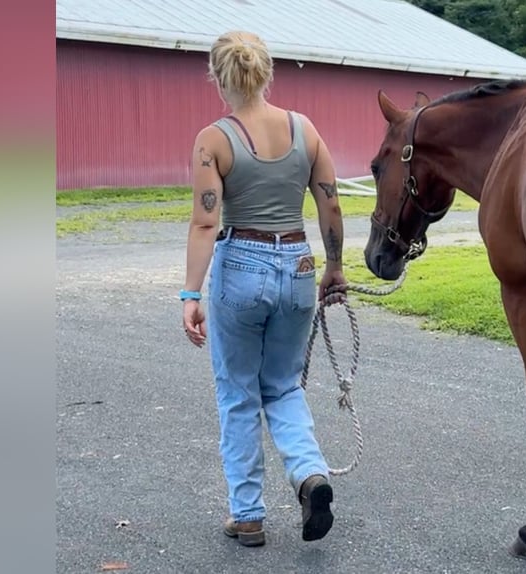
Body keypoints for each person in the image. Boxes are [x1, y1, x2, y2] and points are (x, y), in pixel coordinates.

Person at [179, 30, 347, 547]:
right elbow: (331, 205)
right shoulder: (305, 130)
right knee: (282, 384)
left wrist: (191, 295)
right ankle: (309, 474)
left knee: (238, 393)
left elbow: (205, 224)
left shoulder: (213, 140)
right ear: (266, 72)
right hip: (296, 264)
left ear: (217, 77)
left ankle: (248, 513)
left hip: (241, 266)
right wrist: (334, 268)